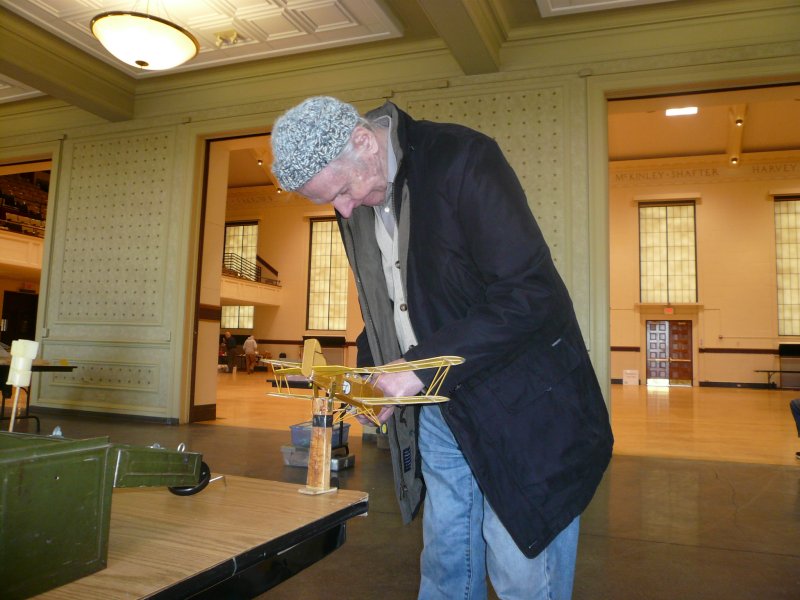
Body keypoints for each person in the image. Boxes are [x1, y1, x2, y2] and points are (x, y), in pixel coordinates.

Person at [271, 96, 614, 600]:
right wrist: (372, 374)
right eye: (330, 202)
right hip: (439, 407)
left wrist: (416, 368)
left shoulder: (463, 159)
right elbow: (390, 305)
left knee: (520, 568)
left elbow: (530, 294)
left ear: (364, 141)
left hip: (521, 407)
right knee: (447, 562)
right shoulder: (360, 200)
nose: (343, 209)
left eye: (342, 191)